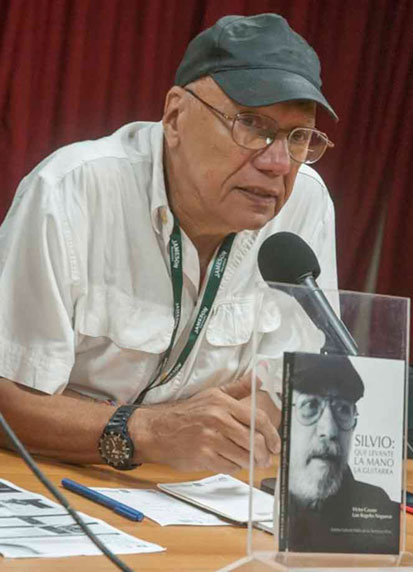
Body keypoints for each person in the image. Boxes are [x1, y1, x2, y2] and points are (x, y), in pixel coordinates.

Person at [0, 14, 337, 474]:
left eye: (298, 138)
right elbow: (7, 403)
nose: (278, 162)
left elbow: (296, 385)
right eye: (252, 126)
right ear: (175, 116)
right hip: (55, 477)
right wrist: (150, 432)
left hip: (203, 492)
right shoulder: (70, 191)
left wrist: (253, 421)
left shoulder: (307, 203)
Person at [286, 353, 400, 554]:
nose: (329, 430)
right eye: (311, 405)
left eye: (343, 409)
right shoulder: (256, 506)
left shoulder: (378, 515)